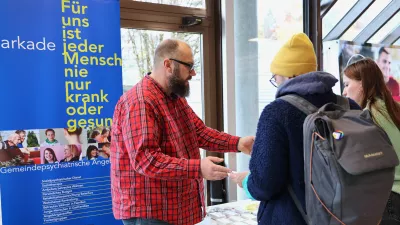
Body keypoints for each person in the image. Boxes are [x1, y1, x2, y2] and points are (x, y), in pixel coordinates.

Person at [110, 39, 254, 225]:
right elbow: (146, 160)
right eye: (189, 66)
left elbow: (199, 132)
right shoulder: (141, 101)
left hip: (173, 209)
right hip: (151, 212)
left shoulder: (174, 98)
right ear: (168, 65)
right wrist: (198, 168)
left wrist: (238, 143)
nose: (193, 73)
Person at [229, 33, 361, 225]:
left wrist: (246, 181)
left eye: (275, 77)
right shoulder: (349, 107)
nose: (276, 83)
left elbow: (265, 184)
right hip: (347, 216)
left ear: (289, 76)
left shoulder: (277, 112)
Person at [342, 58, 400, 225]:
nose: (344, 92)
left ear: (362, 84)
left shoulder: (367, 118)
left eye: (347, 84)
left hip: (387, 199)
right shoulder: (394, 109)